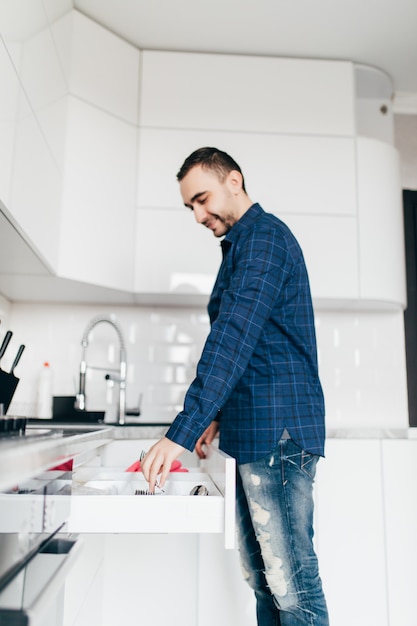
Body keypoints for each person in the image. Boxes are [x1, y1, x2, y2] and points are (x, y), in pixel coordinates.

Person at [141, 147, 329, 626]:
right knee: (266, 584)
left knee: (294, 590)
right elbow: (252, 347)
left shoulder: (264, 240)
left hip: (278, 435)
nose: (199, 215)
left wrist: (183, 429)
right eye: (190, 208)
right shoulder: (241, 248)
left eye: (202, 200)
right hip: (253, 434)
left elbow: (234, 337)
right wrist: (216, 416)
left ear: (235, 181)